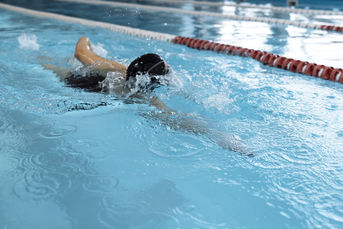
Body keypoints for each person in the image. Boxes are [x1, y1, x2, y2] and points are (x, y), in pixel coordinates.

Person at [43, 37, 253, 156]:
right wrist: (228, 142)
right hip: (84, 90)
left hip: (75, 81)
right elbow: (184, 122)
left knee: (45, 63)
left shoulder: (117, 71)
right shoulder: (144, 98)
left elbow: (81, 53)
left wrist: (86, 39)